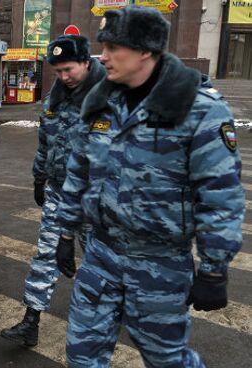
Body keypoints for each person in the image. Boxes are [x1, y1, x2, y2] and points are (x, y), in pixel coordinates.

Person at [55, 6, 244, 367]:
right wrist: (66, 233)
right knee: (81, 356)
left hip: (160, 264)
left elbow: (220, 195)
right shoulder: (101, 102)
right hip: (101, 254)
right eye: (103, 47)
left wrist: (214, 267)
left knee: (167, 360)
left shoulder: (199, 109)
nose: (103, 56)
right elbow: (78, 172)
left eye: (113, 48)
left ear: (145, 50)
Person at [0, 34, 106, 348]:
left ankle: (111, 313)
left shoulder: (108, 99)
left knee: (100, 262)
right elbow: (46, 143)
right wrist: (38, 178)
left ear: (87, 62)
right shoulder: (55, 98)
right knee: (46, 255)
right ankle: (31, 320)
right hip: (59, 192)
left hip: (93, 199)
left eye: (69, 69)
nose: (63, 77)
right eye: (57, 71)